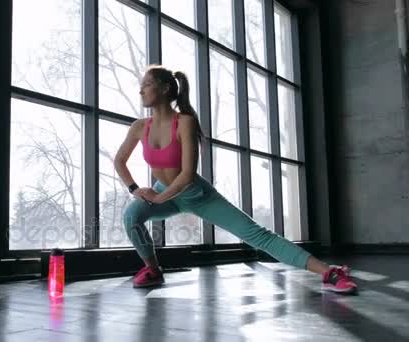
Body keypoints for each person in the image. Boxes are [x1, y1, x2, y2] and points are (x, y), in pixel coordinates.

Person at [113, 65, 357, 294]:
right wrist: (136, 190)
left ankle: (331, 273)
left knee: (258, 236)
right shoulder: (139, 127)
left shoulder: (184, 122)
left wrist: (157, 197)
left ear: (165, 88)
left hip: (195, 195)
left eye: (146, 84)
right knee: (131, 216)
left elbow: (187, 174)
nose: (140, 89)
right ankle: (153, 270)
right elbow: (120, 160)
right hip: (163, 193)